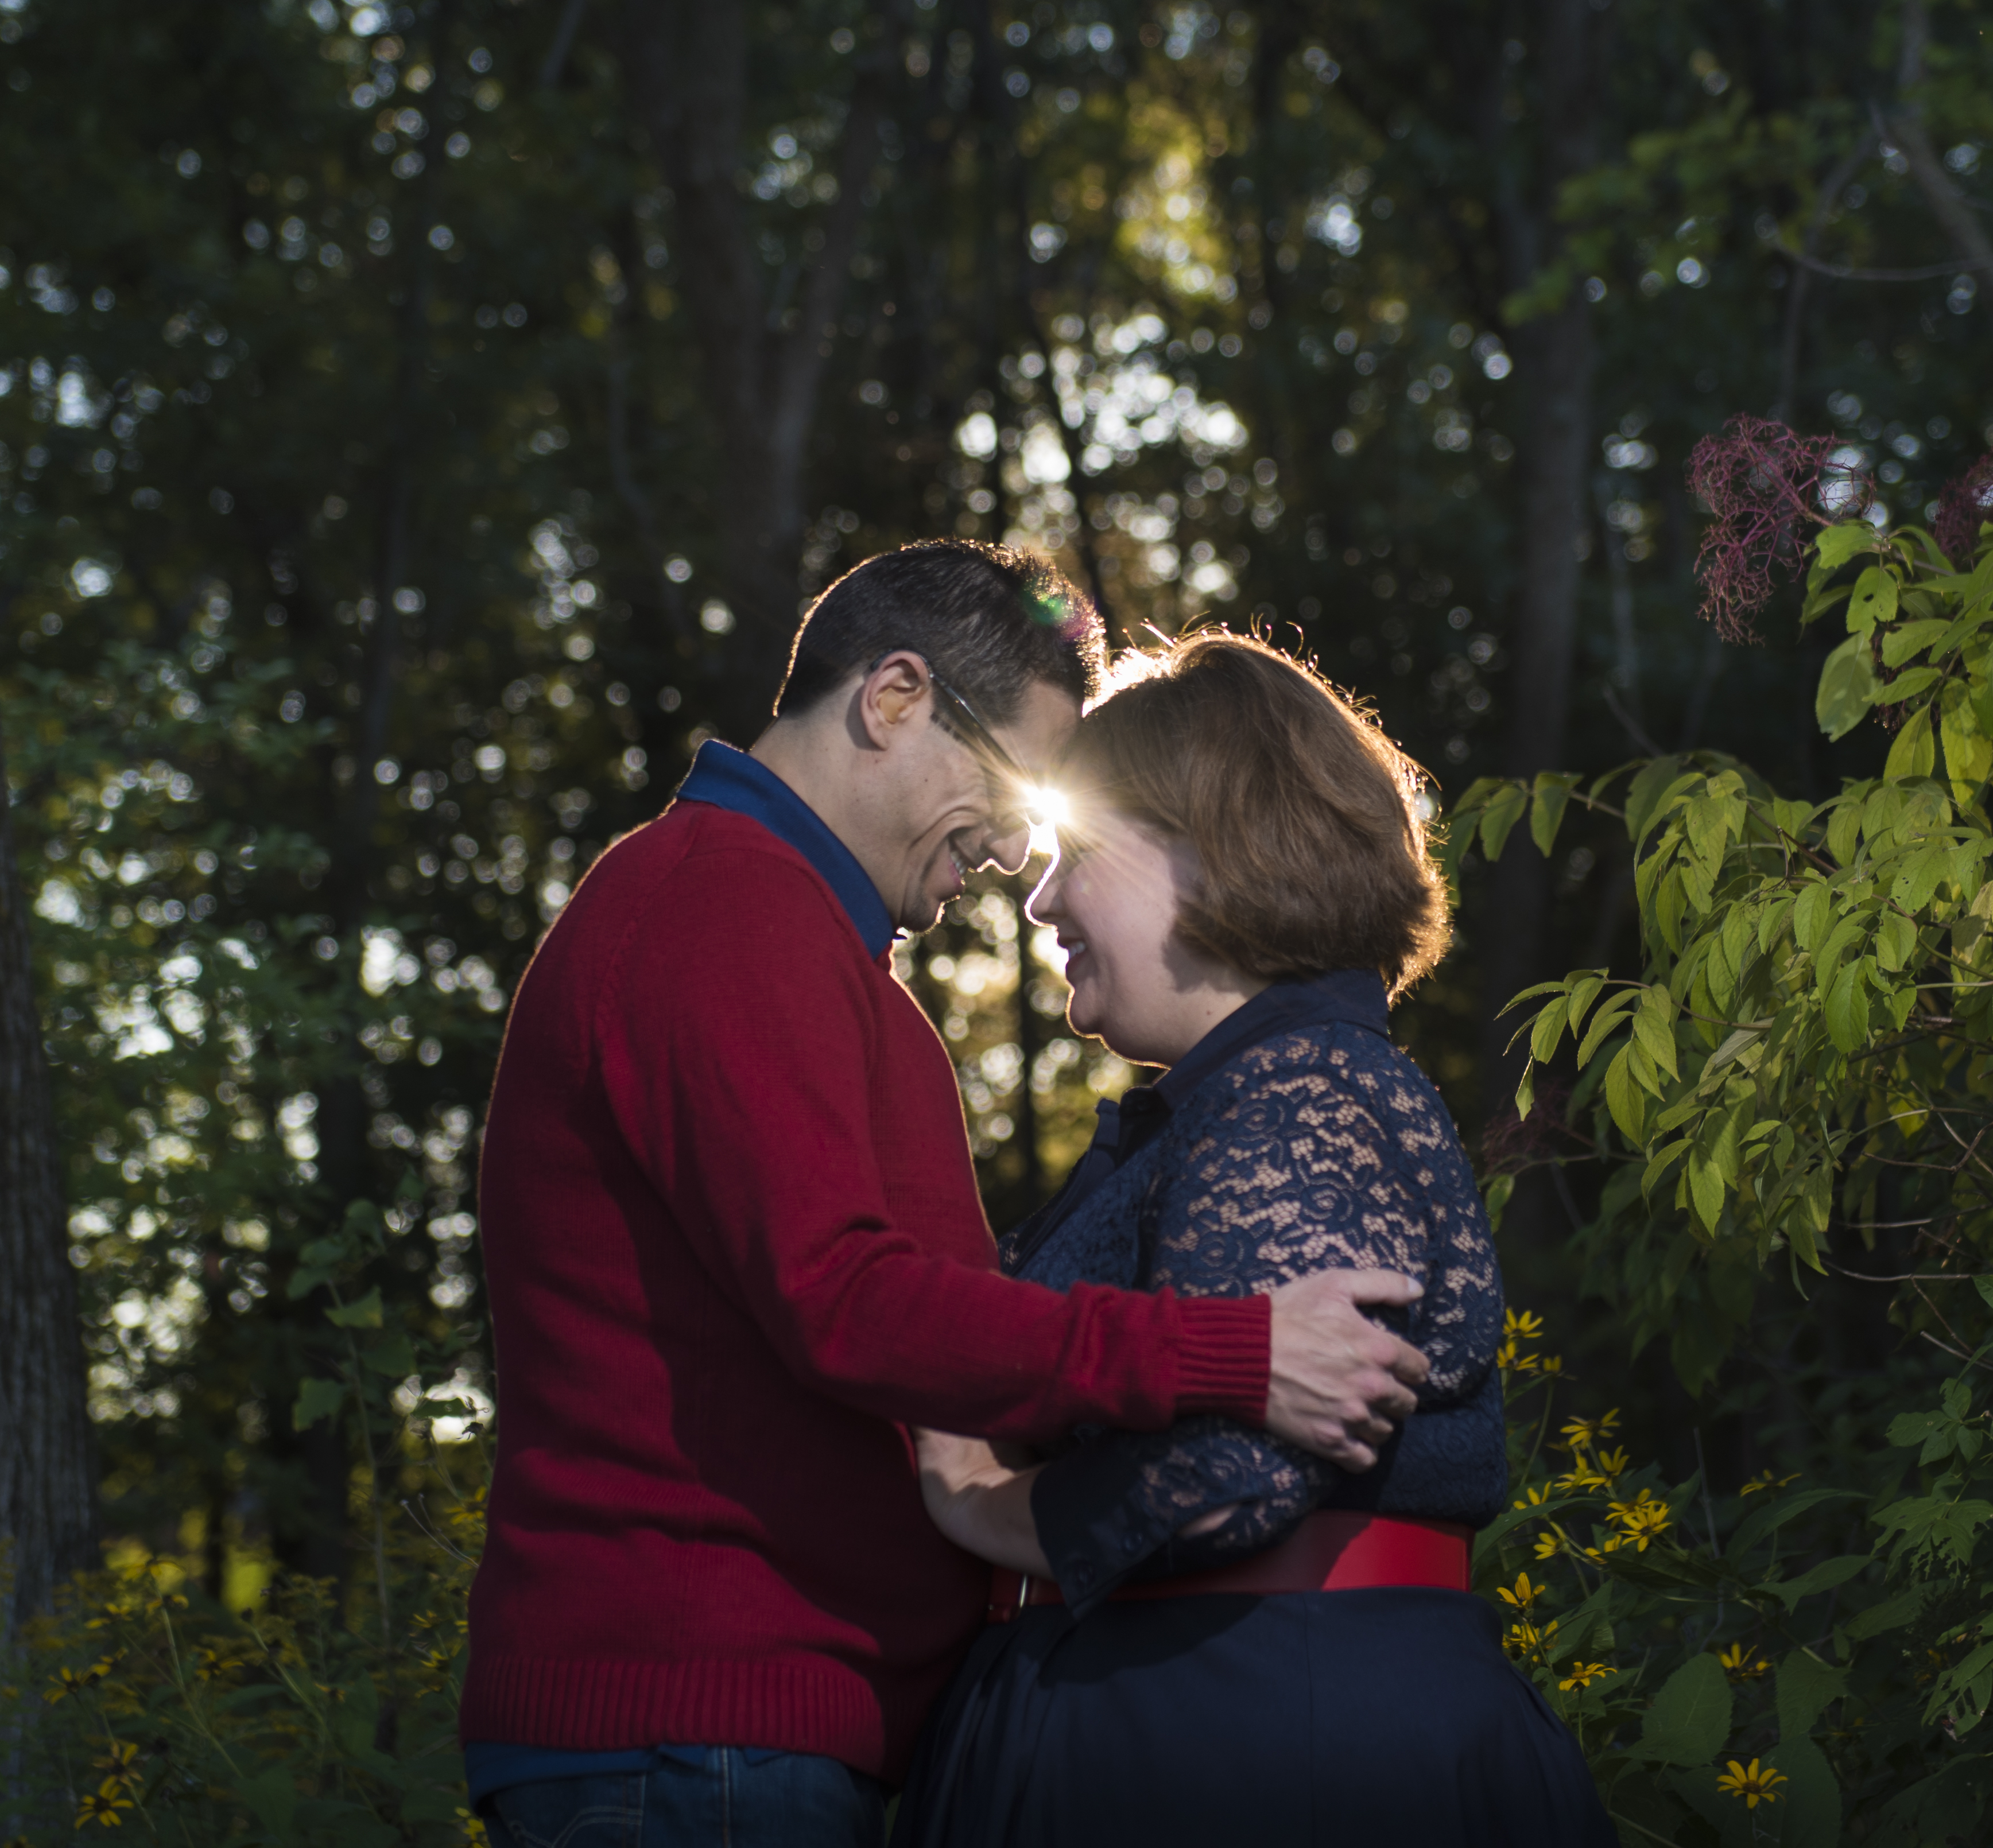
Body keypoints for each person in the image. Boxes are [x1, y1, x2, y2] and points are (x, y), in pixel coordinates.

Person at [456, 545, 1433, 1848]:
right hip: (697, 1731)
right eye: (1011, 781)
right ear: (894, 697)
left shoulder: (801, 939)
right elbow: (844, 1300)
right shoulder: (721, 906)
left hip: (753, 1734)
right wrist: (1232, 1351)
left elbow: (921, 1330)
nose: (1013, 848)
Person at [898, 631, 1614, 1848]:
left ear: (1209, 846)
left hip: (1261, 1737)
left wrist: (981, 1506)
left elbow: (1231, 1473)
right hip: (1211, 1716)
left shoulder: (1302, 1093)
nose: (1041, 896)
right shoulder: (1241, 1099)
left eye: (1078, 852)